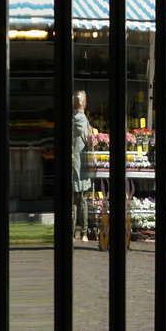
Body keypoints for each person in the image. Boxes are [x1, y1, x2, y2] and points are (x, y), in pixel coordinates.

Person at [71, 91, 92, 240]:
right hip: (82, 162)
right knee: (83, 198)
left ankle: (71, 232)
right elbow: (89, 142)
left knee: (73, 199)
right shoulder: (84, 121)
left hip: (72, 162)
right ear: (84, 104)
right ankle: (84, 233)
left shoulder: (71, 120)